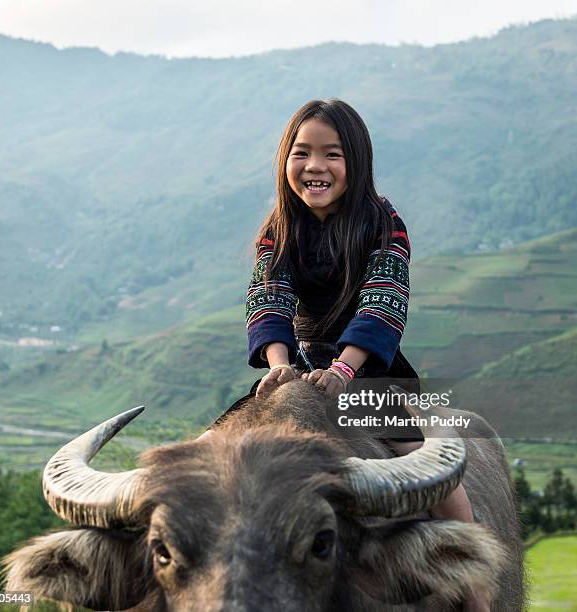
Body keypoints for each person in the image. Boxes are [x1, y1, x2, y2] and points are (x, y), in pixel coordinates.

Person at [210, 99, 488, 610]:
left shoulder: (383, 222)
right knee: (212, 446)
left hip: (369, 366)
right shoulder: (278, 227)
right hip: (297, 367)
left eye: (332, 154)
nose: (316, 166)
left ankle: (474, 584)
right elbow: (268, 297)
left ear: (355, 162)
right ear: (284, 161)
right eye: (302, 153)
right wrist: (278, 367)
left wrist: (345, 367)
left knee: (421, 459)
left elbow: (384, 297)